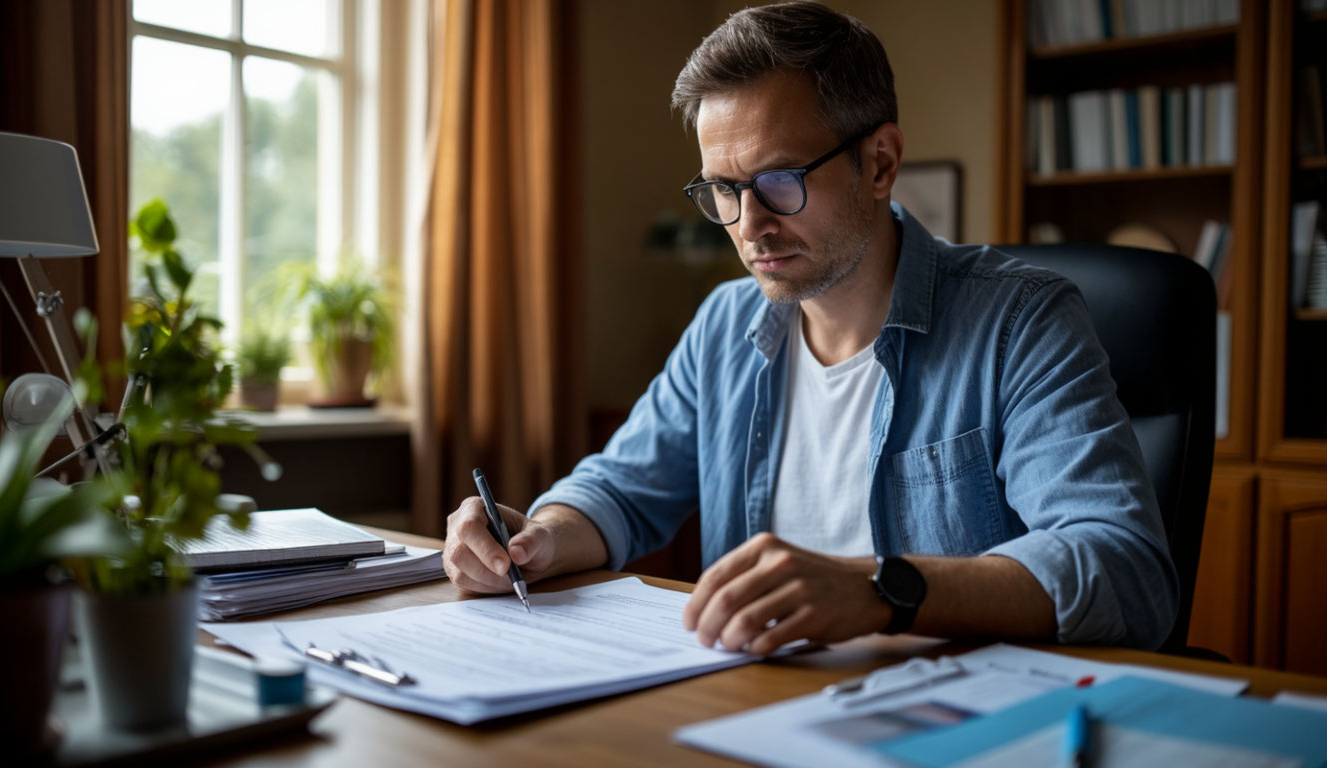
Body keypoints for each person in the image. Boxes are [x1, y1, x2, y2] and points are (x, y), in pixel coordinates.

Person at [443, 1, 1178, 653]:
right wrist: (539, 539)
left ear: (881, 162)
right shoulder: (725, 325)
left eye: (779, 181)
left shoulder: (1020, 321)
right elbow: (622, 491)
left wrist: (879, 590)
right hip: (754, 709)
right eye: (725, 189)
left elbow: (1125, 568)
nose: (750, 225)